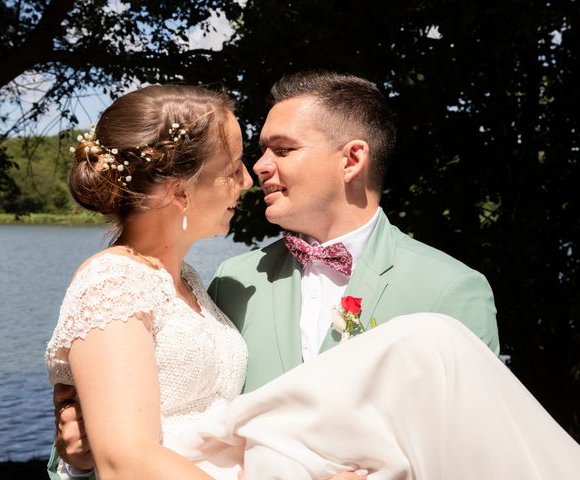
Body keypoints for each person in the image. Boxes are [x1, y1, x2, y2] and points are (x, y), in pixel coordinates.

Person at [50, 71, 500, 476]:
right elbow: (123, 441)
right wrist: (79, 453)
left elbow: (475, 455)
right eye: (256, 152)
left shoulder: (448, 289)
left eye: (282, 149)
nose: (256, 170)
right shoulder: (234, 281)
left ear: (352, 159)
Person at [45, 84, 367, 480]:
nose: (248, 181)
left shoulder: (191, 282)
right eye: (232, 169)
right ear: (180, 190)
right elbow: (126, 463)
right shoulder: (112, 281)